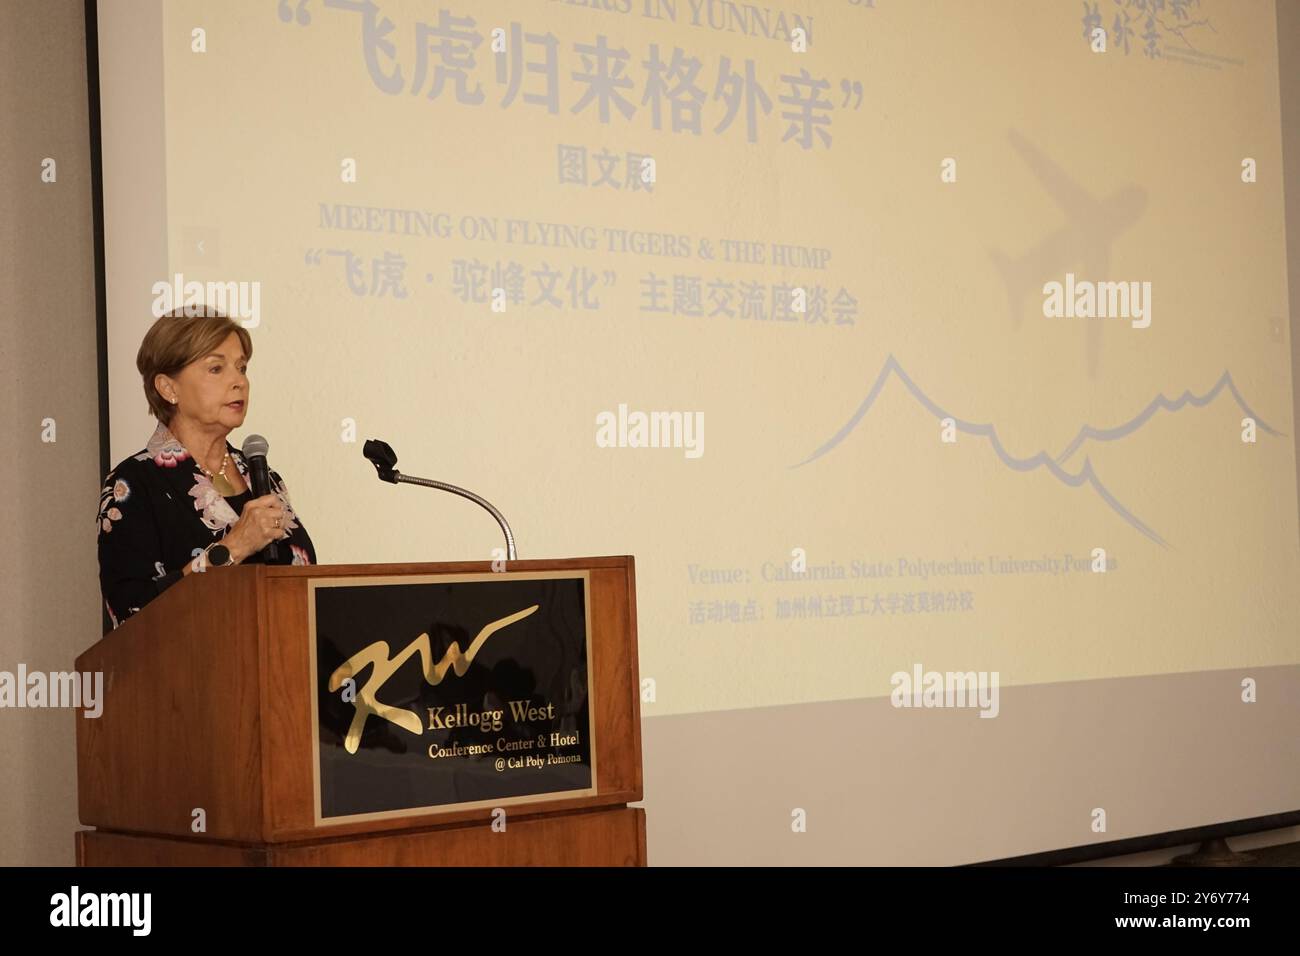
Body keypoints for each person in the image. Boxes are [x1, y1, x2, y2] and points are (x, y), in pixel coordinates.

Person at [96, 308, 316, 634]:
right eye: (216, 368)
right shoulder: (132, 484)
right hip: (187, 680)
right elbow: (131, 615)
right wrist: (235, 547)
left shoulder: (265, 478)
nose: (239, 381)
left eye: (242, 368)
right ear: (168, 388)